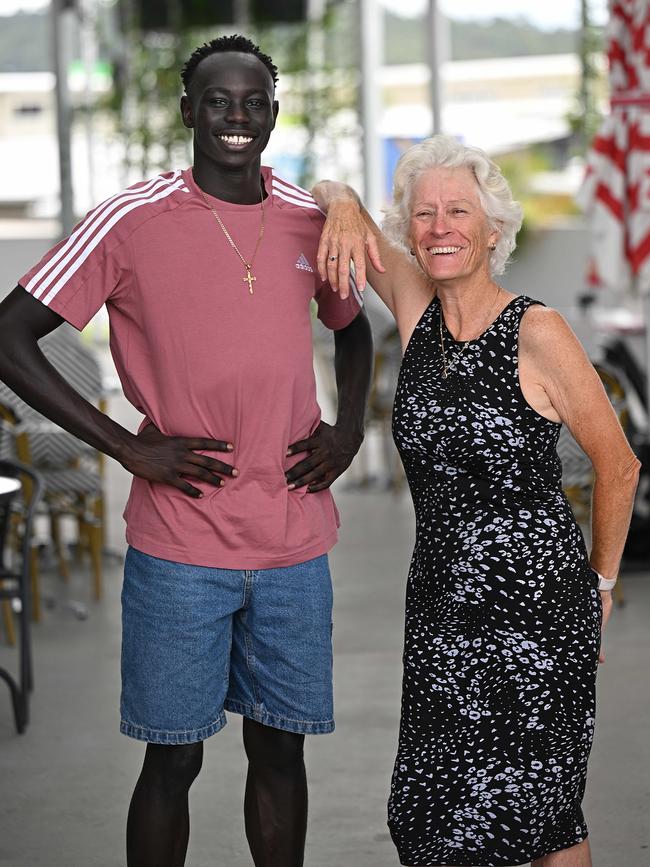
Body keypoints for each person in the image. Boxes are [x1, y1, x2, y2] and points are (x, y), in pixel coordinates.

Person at [0, 35, 373, 867]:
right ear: (187, 111)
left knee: (281, 753)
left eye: (252, 103)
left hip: (292, 541)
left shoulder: (311, 223)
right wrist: (125, 450)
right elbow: (10, 335)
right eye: (217, 101)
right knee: (172, 757)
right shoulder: (130, 220)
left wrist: (347, 430)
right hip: (180, 546)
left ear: (273, 115)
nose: (235, 118)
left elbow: (355, 333)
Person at [311, 135, 640, 867]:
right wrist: (338, 201)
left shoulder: (536, 330)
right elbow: (339, 202)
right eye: (424, 213)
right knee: (431, 817)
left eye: (458, 210)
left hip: (537, 619)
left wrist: (602, 584)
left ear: (494, 228)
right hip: (439, 611)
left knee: (544, 812)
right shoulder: (414, 307)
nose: (440, 227)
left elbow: (617, 464)